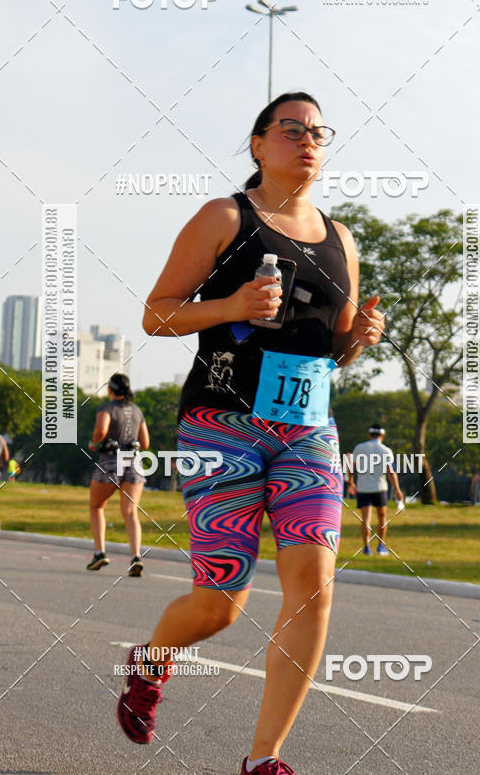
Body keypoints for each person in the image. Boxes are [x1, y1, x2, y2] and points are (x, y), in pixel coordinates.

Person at [116, 91, 385, 775]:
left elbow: (338, 350)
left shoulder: (341, 238)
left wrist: (361, 338)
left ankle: (264, 759)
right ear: (259, 144)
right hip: (222, 424)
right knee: (221, 603)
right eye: (292, 130)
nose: (308, 141)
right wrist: (233, 305)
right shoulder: (223, 217)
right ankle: (151, 661)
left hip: (307, 429)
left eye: (319, 132)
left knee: (315, 583)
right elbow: (156, 315)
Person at [86, 373, 150, 576]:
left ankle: (100, 553)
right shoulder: (137, 410)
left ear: (110, 390)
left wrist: (94, 444)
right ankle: (135, 556)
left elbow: (100, 430)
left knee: (96, 506)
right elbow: (146, 442)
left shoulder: (107, 408)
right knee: (130, 512)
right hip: (134, 463)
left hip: (111, 462)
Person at [348, 424, 403, 556]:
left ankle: (366, 547)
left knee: (366, 519)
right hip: (380, 488)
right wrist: (397, 489)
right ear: (382, 436)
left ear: (369, 435)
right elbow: (391, 472)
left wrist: (350, 483)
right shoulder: (386, 450)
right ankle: (381, 546)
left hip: (363, 488)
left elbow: (351, 467)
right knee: (382, 517)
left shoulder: (359, 448)